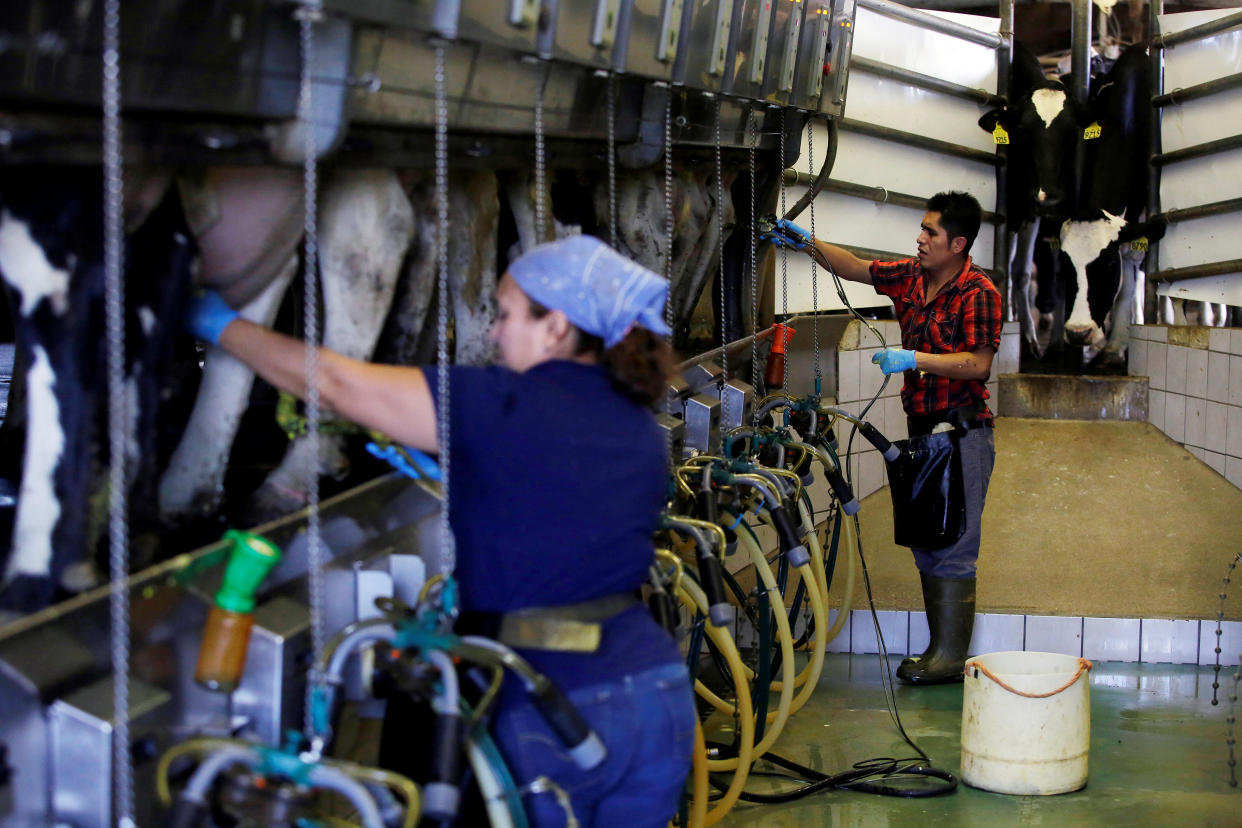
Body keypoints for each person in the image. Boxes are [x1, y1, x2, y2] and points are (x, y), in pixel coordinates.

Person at [186, 233, 696, 826]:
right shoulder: (636, 424)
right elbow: (554, 494)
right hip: (655, 689)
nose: (495, 331)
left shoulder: (497, 404)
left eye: (506, 315)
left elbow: (333, 383)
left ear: (556, 326)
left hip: (553, 705)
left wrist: (221, 324)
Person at [766, 191, 1001, 684]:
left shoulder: (979, 292)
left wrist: (913, 358)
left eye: (930, 232)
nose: (920, 238)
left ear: (958, 243)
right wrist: (807, 243)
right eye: (922, 228)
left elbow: (977, 364)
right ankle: (940, 649)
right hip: (922, 430)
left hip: (962, 432)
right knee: (927, 536)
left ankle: (949, 657)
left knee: (954, 540)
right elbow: (855, 268)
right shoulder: (912, 278)